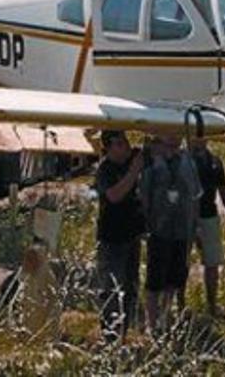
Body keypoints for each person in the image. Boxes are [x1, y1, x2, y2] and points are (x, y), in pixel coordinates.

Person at [140, 133, 201, 333]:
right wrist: (146, 224)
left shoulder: (188, 163)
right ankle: (152, 322)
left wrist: (195, 226)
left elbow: (195, 195)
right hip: (159, 229)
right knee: (155, 277)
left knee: (174, 277)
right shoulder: (152, 165)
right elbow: (144, 196)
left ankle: (165, 318)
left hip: (182, 229)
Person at [94, 130, 145, 343]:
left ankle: (123, 333)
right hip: (112, 238)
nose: (126, 146)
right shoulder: (104, 170)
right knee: (112, 288)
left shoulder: (132, 159)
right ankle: (110, 336)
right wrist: (134, 172)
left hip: (132, 236)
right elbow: (114, 196)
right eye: (120, 143)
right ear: (110, 147)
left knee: (131, 286)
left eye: (126, 142)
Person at [181, 138, 225, 318]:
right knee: (182, 261)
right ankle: (180, 304)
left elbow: (223, 189)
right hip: (185, 216)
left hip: (209, 214)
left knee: (212, 262)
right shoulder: (181, 158)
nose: (199, 140)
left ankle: (212, 305)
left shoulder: (214, 161)